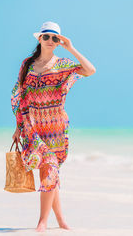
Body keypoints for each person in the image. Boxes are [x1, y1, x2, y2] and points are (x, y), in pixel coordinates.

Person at [11, 21, 96, 232]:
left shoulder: (63, 64)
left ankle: (46, 222)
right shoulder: (27, 65)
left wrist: (71, 47)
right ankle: (55, 221)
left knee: (50, 170)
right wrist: (18, 127)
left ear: (59, 42)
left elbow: (90, 70)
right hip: (33, 126)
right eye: (46, 36)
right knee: (48, 169)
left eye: (55, 38)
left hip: (56, 125)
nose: (50, 40)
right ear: (39, 38)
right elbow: (21, 97)